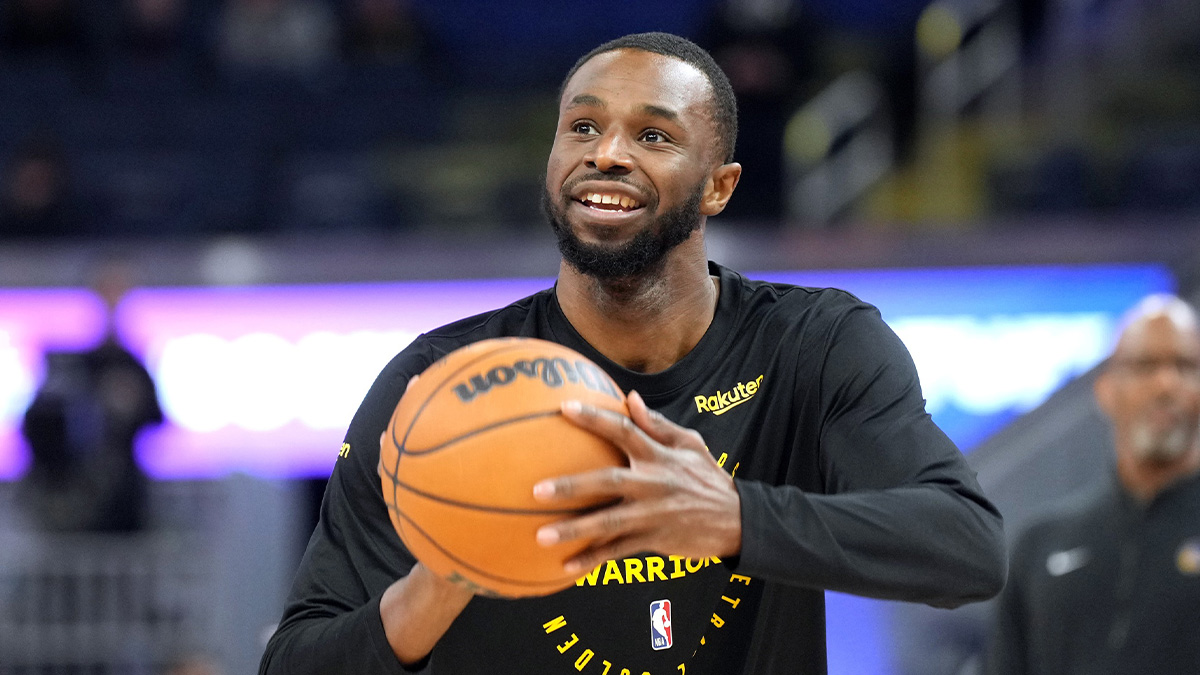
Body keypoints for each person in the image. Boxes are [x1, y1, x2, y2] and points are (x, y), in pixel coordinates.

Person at [258, 32, 1006, 675]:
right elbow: (295, 660)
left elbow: (967, 547)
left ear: (719, 187)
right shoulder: (440, 381)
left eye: (653, 136)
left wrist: (733, 517)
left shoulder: (814, 344)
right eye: (581, 127)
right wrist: (438, 584)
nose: (606, 154)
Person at [985, 294, 1200, 675]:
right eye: (1145, 365)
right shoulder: (1040, 547)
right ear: (1106, 391)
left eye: (1185, 366)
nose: (1166, 384)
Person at [19, 259, 164, 532]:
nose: (113, 298)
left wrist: (131, 403)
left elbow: (157, 418)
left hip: (123, 501)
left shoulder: (133, 365)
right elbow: (37, 427)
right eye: (107, 289)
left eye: (120, 290)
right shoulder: (70, 363)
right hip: (72, 501)